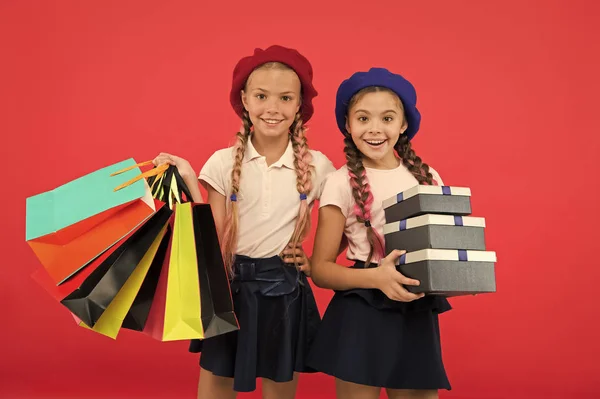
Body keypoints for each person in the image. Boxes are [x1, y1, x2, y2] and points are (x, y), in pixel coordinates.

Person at [153, 45, 336, 399]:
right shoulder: (222, 164)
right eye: (261, 96)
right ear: (245, 100)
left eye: (285, 98)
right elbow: (215, 237)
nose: (273, 108)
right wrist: (191, 179)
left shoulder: (318, 167)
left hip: (285, 290)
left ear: (300, 105)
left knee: (279, 384)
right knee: (217, 382)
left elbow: (340, 221)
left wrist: (314, 263)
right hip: (231, 286)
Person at [307, 67, 452, 399]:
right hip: (361, 309)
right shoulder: (340, 182)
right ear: (347, 124)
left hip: (415, 306)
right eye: (363, 118)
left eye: (387, 119)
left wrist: (462, 276)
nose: (375, 129)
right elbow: (321, 269)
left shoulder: (428, 177)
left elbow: (441, 247)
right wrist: (377, 279)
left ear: (403, 125)